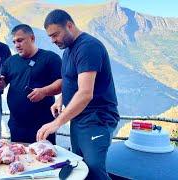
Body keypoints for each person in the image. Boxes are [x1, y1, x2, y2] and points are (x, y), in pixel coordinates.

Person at [36, 9, 119, 180]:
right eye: (50, 36)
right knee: (80, 167)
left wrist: (56, 123)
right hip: (78, 117)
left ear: (69, 25)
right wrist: (61, 99)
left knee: (94, 169)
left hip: (97, 118)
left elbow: (85, 93)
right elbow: (71, 82)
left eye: (55, 34)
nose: (53, 40)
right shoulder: (68, 51)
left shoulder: (88, 47)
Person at [0, 24, 62, 144]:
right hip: (17, 125)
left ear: (32, 38)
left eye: (20, 40)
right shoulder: (10, 61)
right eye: (14, 42)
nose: (17, 45)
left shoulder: (50, 58)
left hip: (43, 125)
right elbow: (2, 84)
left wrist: (44, 91)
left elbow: (62, 83)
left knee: (44, 159)